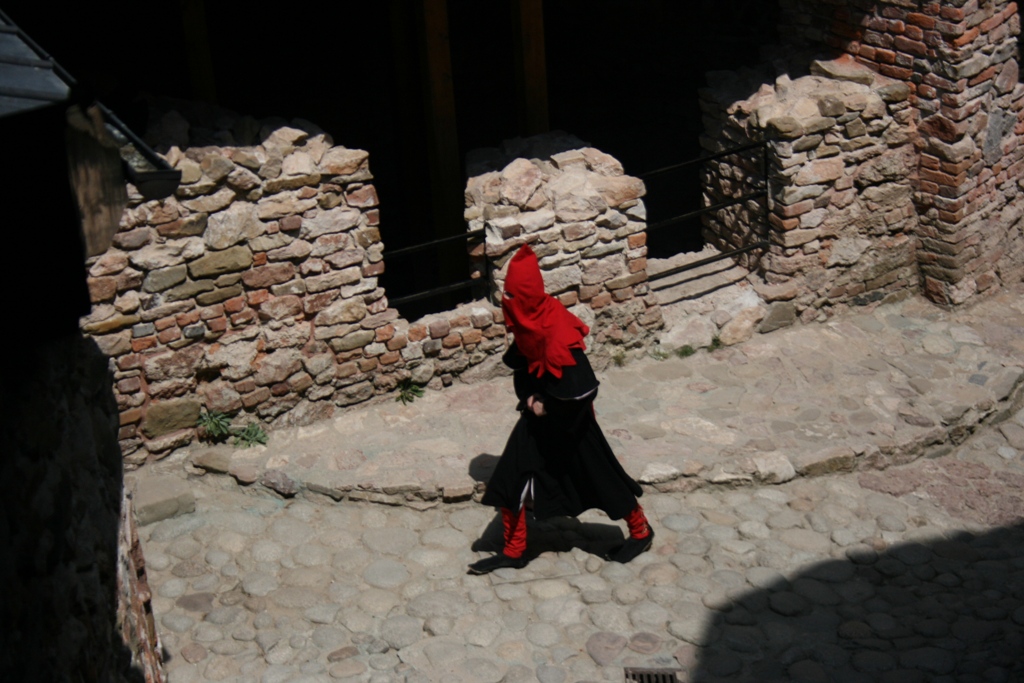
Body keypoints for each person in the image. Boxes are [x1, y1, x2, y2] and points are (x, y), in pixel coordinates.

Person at [468, 244, 653, 575]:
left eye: (511, 294)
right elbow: (523, 360)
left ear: (526, 296)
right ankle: (513, 550)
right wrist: (530, 398)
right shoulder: (529, 320)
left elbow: (582, 388)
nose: (505, 300)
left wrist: (547, 405)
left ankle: (641, 531)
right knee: (511, 477)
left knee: (602, 478)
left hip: (573, 423)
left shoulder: (555, 329)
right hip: (538, 422)